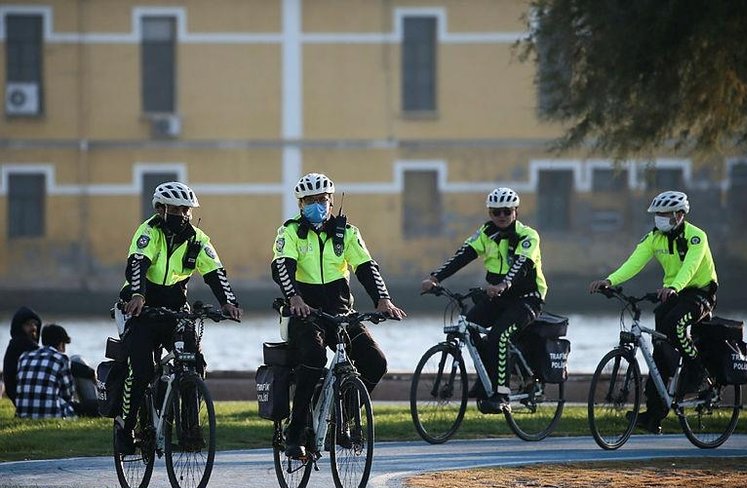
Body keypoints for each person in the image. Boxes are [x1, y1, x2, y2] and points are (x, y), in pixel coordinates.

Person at [271, 172, 406, 458]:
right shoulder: (291, 231)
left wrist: (383, 300)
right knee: (315, 358)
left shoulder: (347, 233)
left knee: (375, 362)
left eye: (322, 199)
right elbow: (282, 267)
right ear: (300, 204)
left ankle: (339, 416)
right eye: (310, 201)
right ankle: (295, 433)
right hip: (304, 314)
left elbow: (367, 267)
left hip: (341, 312)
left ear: (331, 201)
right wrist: (294, 298)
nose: (317, 205)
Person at [115, 181, 242, 454]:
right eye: (176, 209)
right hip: (140, 309)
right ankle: (125, 428)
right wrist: (138, 295)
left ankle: (189, 432)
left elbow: (215, 272)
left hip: (175, 309)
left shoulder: (198, 239)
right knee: (141, 371)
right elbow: (137, 263)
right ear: (160, 209)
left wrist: (228, 303)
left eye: (187, 209)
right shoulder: (148, 231)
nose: (183, 215)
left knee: (194, 362)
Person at [588, 190, 718, 434]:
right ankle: (653, 414)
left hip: (699, 294)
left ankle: (699, 373)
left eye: (665, 214)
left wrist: (673, 287)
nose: (659, 218)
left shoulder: (696, 237)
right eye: (657, 214)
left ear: (680, 215)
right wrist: (610, 280)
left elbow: (690, 267)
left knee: (676, 326)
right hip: (673, 294)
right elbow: (634, 262)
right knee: (660, 352)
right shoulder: (654, 238)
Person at [421, 187, 548, 414]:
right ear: (489, 213)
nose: (501, 217)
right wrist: (435, 277)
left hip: (527, 299)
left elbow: (521, 265)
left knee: (499, 335)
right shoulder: (486, 233)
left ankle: (501, 393)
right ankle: (485, 377)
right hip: (498, 297)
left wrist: (503, 285)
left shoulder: (528, 236)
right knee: (466, 327)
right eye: (495, 212)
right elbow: (463, 255)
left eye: (506, 212)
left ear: (515, 212)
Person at [15, 324, 82, 418]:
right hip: (52, 413)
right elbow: (67, 394)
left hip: (23, 413)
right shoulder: (61, 358)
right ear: (61, 344)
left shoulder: (24, 356)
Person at [3, 306, 41, 407]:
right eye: (28, 324)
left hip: (21, 403)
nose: (33, 328)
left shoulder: (12, 346)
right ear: (18, 327)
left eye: (35, 324)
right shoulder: (25, 346)